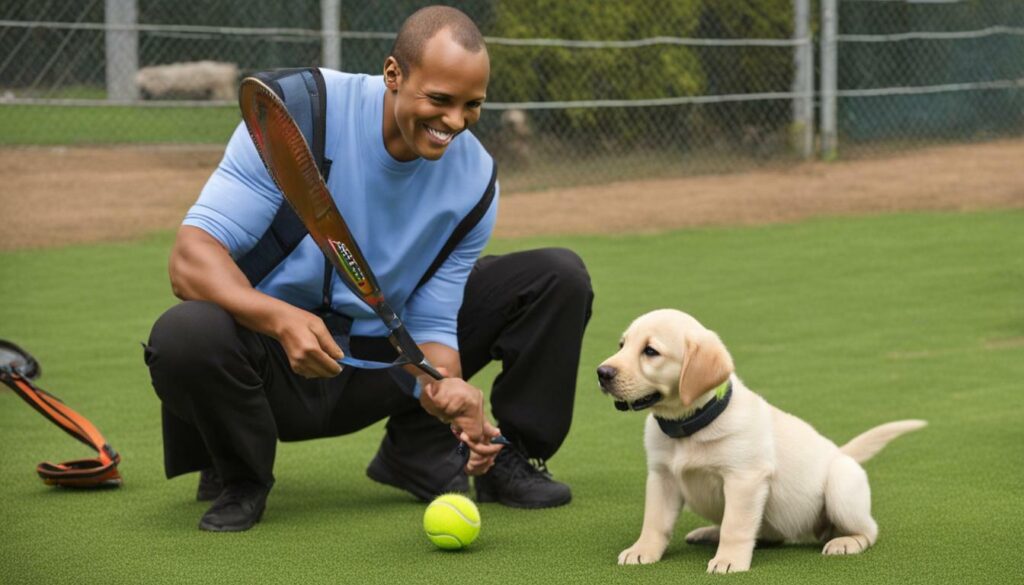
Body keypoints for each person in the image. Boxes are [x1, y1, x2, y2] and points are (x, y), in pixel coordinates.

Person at [144, 5, 593, 532]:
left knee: (555, 276)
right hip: (268, 368)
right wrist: (278, 319)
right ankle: (239, 474)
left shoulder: (475, 180)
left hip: (372, 362)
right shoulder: (298, 114)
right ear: (393, 74)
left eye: (473, 105)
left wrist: (445, 388)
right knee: (185, 333)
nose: (456, 122)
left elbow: (431, 324)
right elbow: (190, 259)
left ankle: (472, 457)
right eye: (441, 100)